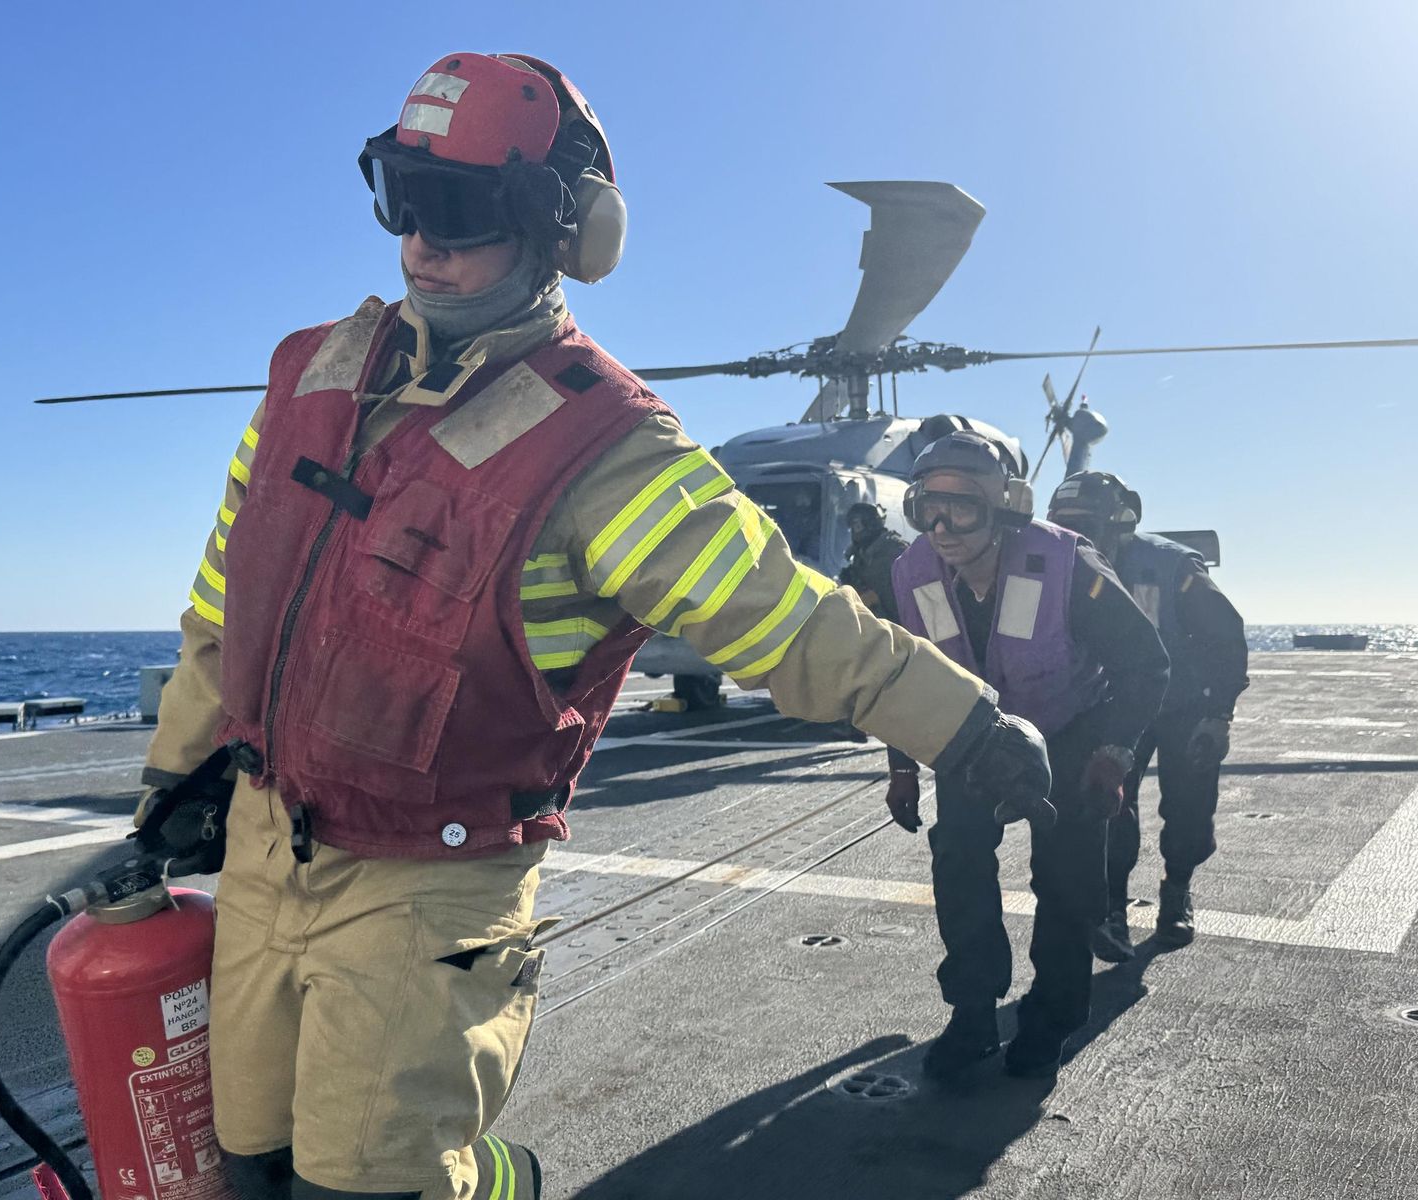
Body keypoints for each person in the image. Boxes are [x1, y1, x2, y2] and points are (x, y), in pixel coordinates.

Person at [135, 53, 1055, 1200]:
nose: (422, 244)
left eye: (459, 211)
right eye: (401, 200)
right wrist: (177, 777)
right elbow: (227, 600)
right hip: (270, 843)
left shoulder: (608, 449)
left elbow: (783, 617)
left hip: (431, 878)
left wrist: (962, 725)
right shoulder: (306, 378)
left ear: (557, 230)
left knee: (362, 1187)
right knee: (247, 1163)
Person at [884, 433, 1168, 1081]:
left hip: (1070, 731)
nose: (941, 526)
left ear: (1007, 505)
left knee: (1065, 881)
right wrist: (901, 766)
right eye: (926, 506)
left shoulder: (1069, 565)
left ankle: (1050, 1020)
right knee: (958, 861)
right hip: (973, 732)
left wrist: (1113, 753)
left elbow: (1146, 664)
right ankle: (974, 1015)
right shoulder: (910, 572)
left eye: (963, 508)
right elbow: (900, 675)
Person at [1046, 472, 1249, 955]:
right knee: (1108, 806)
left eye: (1086, 527)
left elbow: (1227, 633)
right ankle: (1111, 908)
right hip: (1116, 705)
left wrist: (1218, 714)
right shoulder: (1057, 566)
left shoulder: (1172, 567)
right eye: (1065, 527)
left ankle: (1176, 889)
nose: (1075, 540)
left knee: (1190, 809)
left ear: (1119, 526)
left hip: (1183, 705)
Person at [836, 502, 909, 622]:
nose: (854, 532)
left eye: (857, 526)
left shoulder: (893, 552)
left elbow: (880, 597)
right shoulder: (863, 551)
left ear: (870, 525)